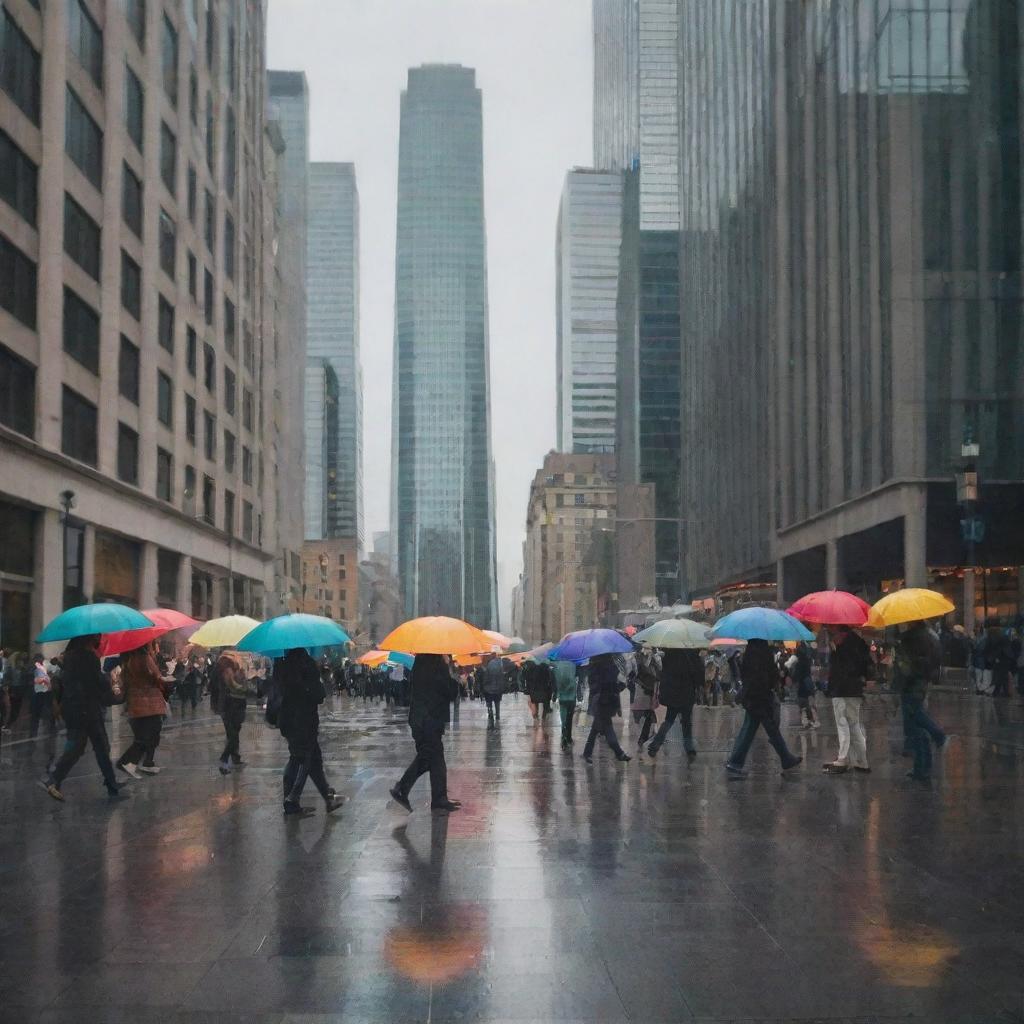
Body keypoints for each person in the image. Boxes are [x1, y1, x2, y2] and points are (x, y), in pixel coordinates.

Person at [42, 635, 124, 801]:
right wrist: (109, 684)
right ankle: (111, 785)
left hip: (73, 709)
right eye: (96, 637)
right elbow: (96, 682)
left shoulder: (69, 657)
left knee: (81, 747)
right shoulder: (87, 657)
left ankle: (55, 779)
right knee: (100, 747)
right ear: (88, 639)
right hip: (88, 709)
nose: (99, 639)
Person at [276, 648, 344, 816]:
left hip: (287, 719)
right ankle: (292, 800)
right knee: (302, 760)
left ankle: (328, 798)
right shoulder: (306, 664)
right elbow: (319, 695)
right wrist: (319, 678)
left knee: (313, 761)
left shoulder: (281, 665)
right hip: (304, 721)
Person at [390, 654, 460, 814]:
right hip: (429, 720)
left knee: (434, 760)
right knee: (430, 758)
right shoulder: (437, 664)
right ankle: (402, 789)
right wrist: (455, 678)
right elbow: (448, 691)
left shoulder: (421, 661)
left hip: (421, 719)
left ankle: (438, 798)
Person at [724, 639, 802, 779]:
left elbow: (746, 673)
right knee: (768, 728)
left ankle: (786, 758)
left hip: (753, 696)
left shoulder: (749, 651)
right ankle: (736, 763)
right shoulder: (763, 650)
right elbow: (768, 673)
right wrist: (776, 676)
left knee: (752, 730)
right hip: (761, 697)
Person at [894, 619, 946, 782]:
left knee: (915, 719)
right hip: (923, 682)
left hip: (911, 684)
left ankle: (938, 734)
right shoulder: (932, 636)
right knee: (917, 727)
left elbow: (905, 666)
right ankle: (922, 770)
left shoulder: (909, 638)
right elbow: (936, 659)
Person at [822, 626, 873, 775]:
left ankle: (842, 760)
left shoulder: (838, 644)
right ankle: (862, 762)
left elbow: (837, 668)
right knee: (854, 725)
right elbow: (866, 665)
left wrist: (835, 650)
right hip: (855, 689)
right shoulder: (860, 643)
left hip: (840, 689)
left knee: (842, 724)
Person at [116, 643, 171, 777]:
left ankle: (147, 763)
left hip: (135, 704)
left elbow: (125, 682)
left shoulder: (126, 661)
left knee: (143, 736)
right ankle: (127, 762)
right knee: (150, 735)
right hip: (150, 703)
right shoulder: (144, 657)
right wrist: (164, 679)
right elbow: (155, 677)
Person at [647, 646, 701, 761]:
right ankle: (689, 748)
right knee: (686, 722)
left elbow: (663, 673)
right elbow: (698, 672)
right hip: (687, 692)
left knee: (669, 720)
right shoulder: (691, 653)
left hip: (672, 692)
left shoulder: (669, 652)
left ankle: (655, 745)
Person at [582, 652, 630, 764]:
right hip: (603, 700)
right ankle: (619, 753)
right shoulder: (608, 666)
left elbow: (594, 684)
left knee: (596, 729)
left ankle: (587, 753)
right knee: (607, 728)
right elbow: (616, 682)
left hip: (603, 699)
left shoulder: (597, 666)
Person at [213, 652, 248, 775]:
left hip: (230, 705)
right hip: (231, 705)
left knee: (233, 733)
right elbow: (233, 685)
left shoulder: (229, 667)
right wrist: (246, 688)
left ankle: (234, 759)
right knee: (233, 734)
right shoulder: (227, 668)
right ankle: (224, 759)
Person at [631, 645, 661, 750]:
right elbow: (636, 672)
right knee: (646, 713)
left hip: (651, 689)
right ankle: (648, 736)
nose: (646, 650)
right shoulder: (637, 657)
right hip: (643, 689)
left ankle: (646, 737)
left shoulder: (655, 658)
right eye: (645, 648)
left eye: (648, 648)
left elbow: (659, 670)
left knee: (649, 713)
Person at [786, 643, 818, 728]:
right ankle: (810, 720)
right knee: (807, 702)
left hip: (802, 684)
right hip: (808, 683)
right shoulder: (808, 660)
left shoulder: (799, 663)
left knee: (803, 703)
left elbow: (797, 675)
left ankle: (807, 720)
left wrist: (792, 677)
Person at [552, 657, 578, 749]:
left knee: (563, 718)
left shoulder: (557, 665)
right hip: (571, 696)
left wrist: (554, 695)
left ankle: (564, 738)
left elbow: (554, 682)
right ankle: (569, 738)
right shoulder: (574, 663)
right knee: (569, 718)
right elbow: (577, 678)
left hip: (562, 696)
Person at [29, 653, 54, 739]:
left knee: (40, 713)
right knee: (38, 713)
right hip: (38, 692)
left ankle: (38, 733)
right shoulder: (34, 668)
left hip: (42, 692)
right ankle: (35, 733)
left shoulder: (40, 667)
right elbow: (36, 680)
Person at [481, 655, 505, 728]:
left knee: (489, 702)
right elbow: (502, 679)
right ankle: (497, 716)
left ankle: (490, 712)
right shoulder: (500, 668)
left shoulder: (488, 668)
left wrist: (484, 686)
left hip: (488, 689)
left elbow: (485, 679)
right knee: (497, 703)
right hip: (498, 689)